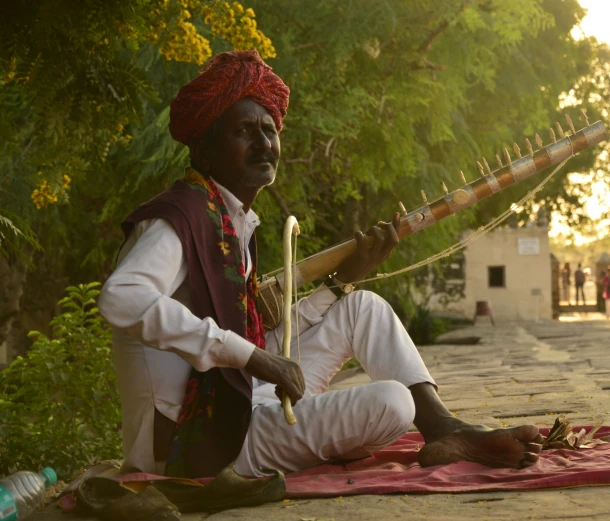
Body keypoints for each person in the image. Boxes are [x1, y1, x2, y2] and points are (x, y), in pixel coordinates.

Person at [97, 51, 542, 480]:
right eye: (244, 132)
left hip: (242, 401)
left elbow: (260, 340)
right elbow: (122, 298)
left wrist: (340, 283)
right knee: (391, 404)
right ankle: (384, 433)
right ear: (205, 151)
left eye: (269, 130)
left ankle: (445, 429)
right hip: (195, 440)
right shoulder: (177, 218)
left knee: (361, 305)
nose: (263, 143)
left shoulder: (230, 224)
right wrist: (257, 360)